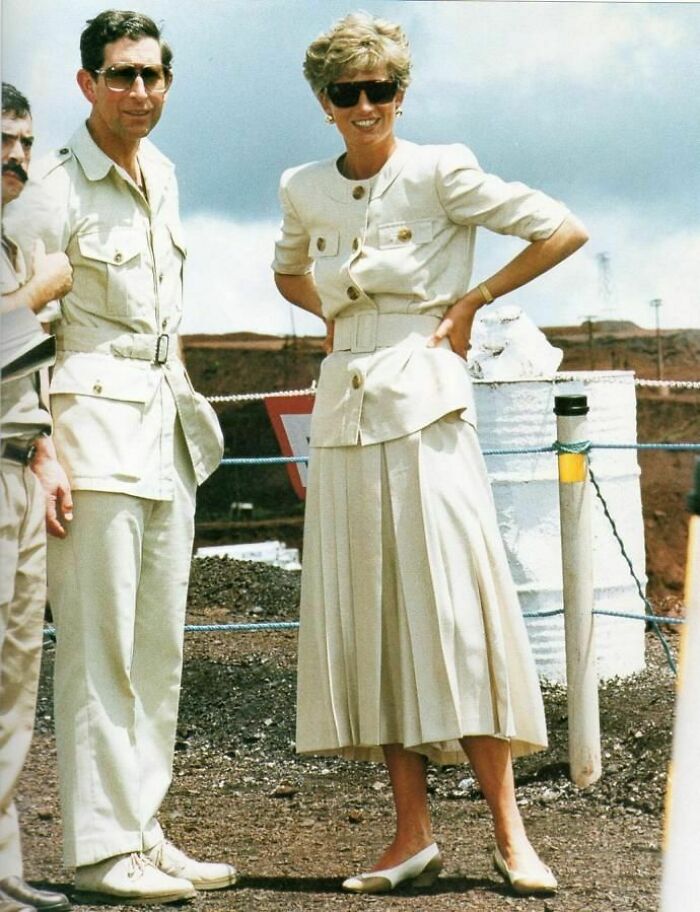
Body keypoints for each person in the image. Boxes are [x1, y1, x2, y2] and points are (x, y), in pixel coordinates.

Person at [273, 11, 588, 897]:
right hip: (344, 410)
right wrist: (331, 315)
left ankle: (510, 831)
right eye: (348, 93)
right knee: (372, 617)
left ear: (401, 94)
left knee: (457, 611)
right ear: (326, 103)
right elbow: (286, 268)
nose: (366, 105)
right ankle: (409, 834)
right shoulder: (302, 186)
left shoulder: (442, 168)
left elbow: (561, 228)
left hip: (429, 403)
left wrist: (475, 298)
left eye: (381, 90)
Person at [4, 11, 235, 905]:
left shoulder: (164, 173)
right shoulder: (50, 188)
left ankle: (141, 828)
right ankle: (99, 851)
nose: (139, 91)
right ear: (87, 84)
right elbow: (26, 328)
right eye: (121, 74)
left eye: (152, 75)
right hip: (89, 438)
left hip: (163, 431)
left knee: (157, 648)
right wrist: (45, 449)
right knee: (97, 649)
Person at [1, 82, 73, 912]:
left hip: (20, 474)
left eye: (24, 141)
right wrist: (39, 295)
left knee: (17, 684)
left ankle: (5, 871)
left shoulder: (16, 247)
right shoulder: (31, 270)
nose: (15, 156)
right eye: (0, 140)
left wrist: (45, 448)